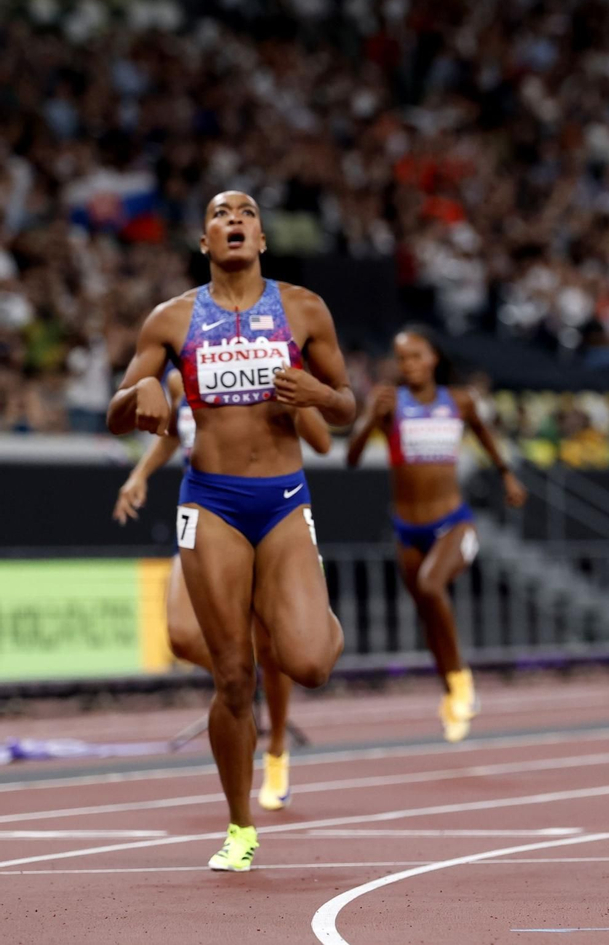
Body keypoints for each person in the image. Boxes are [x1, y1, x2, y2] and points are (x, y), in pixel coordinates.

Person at [107, 191, 355, 872]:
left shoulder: (303, 308)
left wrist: (320, 397)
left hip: (282, 499)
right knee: (232, 675)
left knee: (308, 662)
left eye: (245, 212)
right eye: (220, 214)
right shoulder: (172, 319)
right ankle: (240, 825)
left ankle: (312, 611)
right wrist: (142, 395)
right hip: (210, 500)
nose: (234, 219)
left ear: (263, 238)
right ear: (204, 241)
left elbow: (348, 404)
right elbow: (115, 414)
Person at [113, 368, 332, 810]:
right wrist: (139, 474)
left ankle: (275, 752)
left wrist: (300, 400)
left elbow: (323, 442)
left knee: (275, 650)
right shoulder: (180, 380)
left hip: (266, 514)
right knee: (181, 634)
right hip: (206, 514)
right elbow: (174, 435)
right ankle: (238, 675)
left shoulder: (268, 370)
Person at [345, 326, 526, 742]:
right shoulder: (388, 403)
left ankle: (461, 680)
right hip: (407, 528)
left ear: (434, 359)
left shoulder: (459, 401)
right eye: (401, 358)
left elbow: (485, 435)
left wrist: (507, 475)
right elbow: (351, 459)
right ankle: (450, 691)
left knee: (430, 585)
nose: (408, 365)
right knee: (428, 611)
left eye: (416, 356)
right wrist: (371, 418)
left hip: (453, 522)